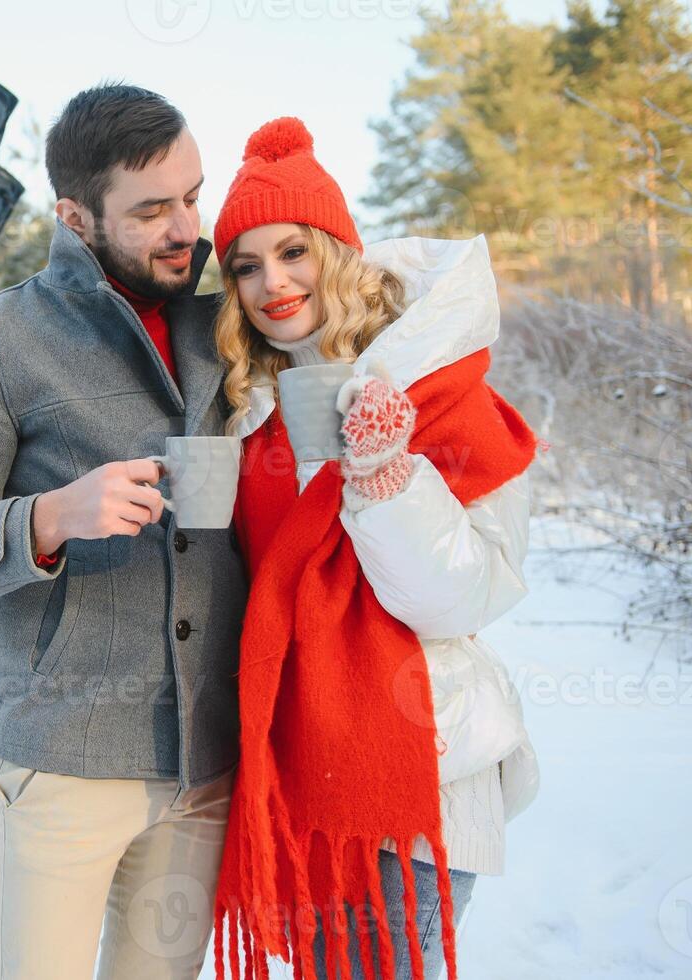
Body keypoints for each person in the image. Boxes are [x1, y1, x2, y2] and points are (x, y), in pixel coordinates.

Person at [0, 83, 248, 979]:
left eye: (193, 196)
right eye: (152, 210)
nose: (185, 229)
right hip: (63, 764)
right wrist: (51, 518)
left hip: (204, 761)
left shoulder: (227, 329)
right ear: (74, 215)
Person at [206, 117, 542, 980]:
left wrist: (388, 478)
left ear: (337, 250)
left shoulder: (446, 399)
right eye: (245, 265)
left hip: (409, 772)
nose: (270, 283)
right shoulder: (247, 408)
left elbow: (458, 599)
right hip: (293, 774)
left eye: (292, 252)